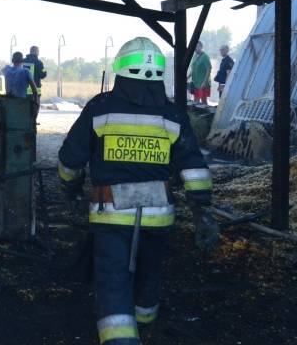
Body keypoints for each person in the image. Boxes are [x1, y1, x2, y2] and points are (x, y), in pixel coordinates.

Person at [58, 37, 219, 345]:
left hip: (112, 215)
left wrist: (71, 187)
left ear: (120, 70)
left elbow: (70, 159)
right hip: (158, 215)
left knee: (113, 280)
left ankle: (121, 338)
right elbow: (194, 169)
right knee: (149, 269)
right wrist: (203, 213)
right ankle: (145, 322)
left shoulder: (100, 108)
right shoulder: (172, 115)